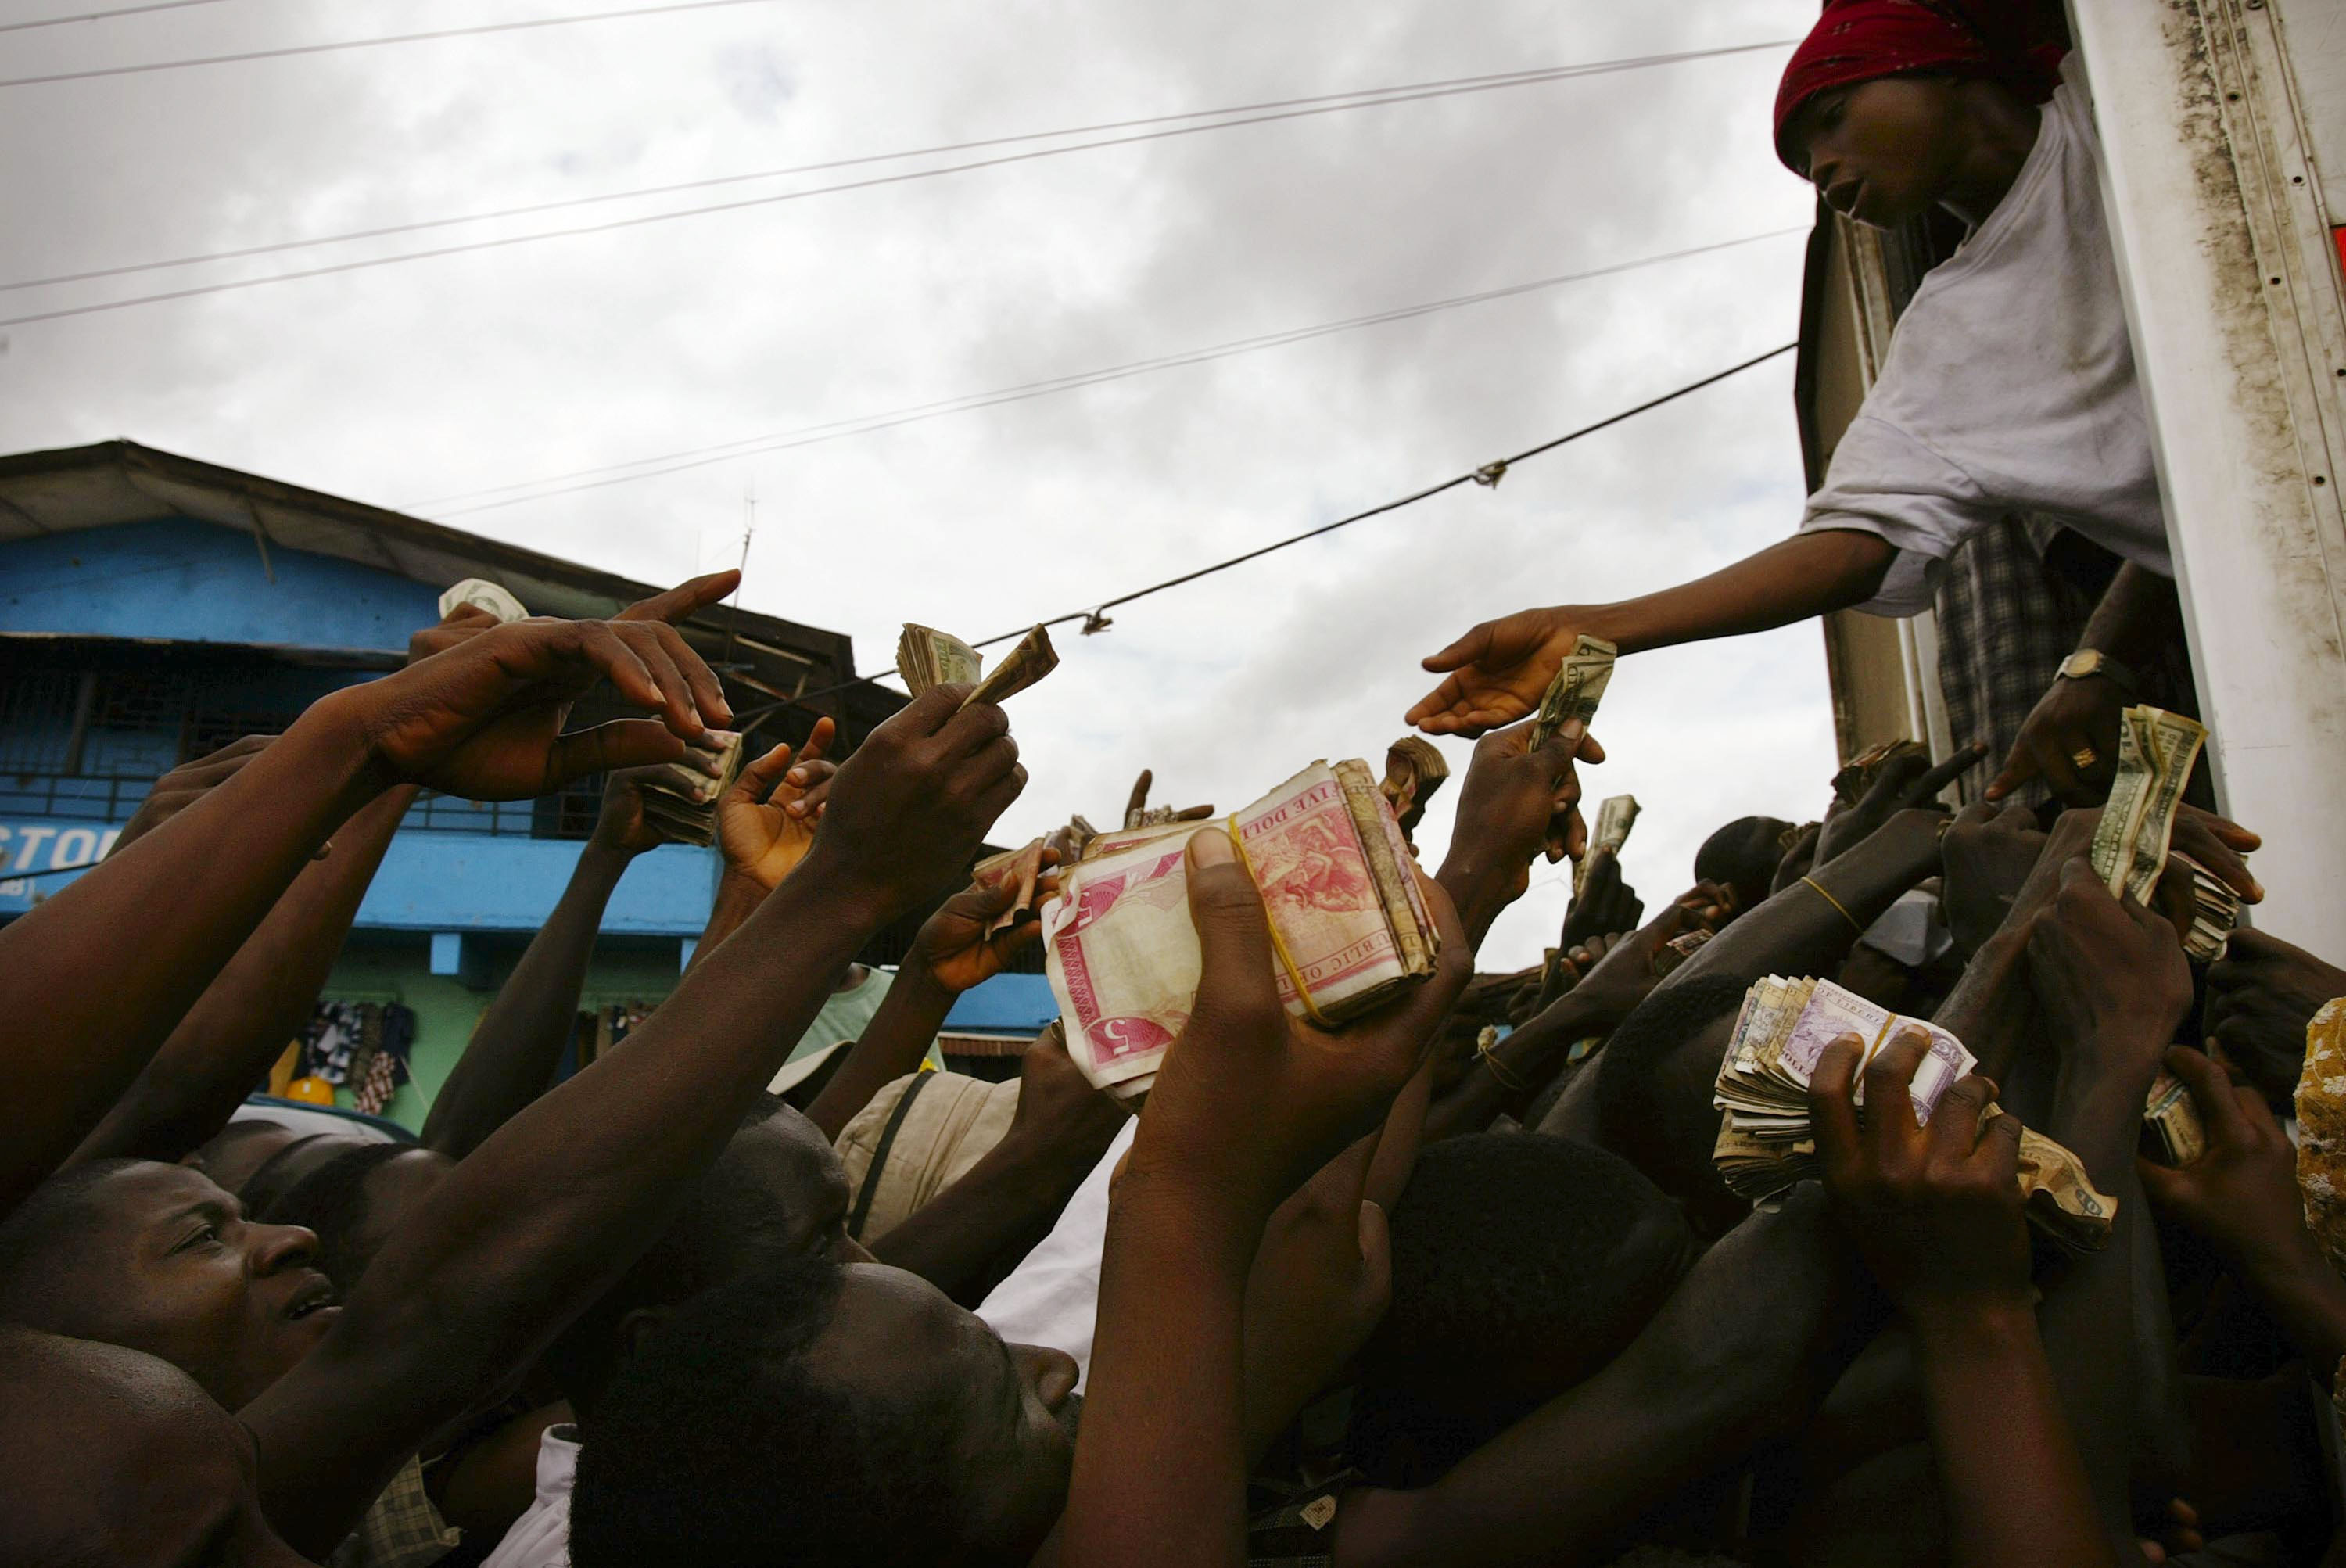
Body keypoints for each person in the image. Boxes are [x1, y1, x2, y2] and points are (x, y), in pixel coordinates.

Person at [1408, 0, 2185, 809]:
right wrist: (1594, 628)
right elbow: (1846, 548)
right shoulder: (1947, 344)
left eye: (1834, 116)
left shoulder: (2130, 82)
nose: (1819, 166)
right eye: (1802, 157)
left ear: (1936, 61)